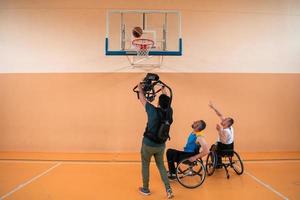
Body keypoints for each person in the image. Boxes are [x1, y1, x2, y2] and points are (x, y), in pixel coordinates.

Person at [136, 82, 174, 199]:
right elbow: (167, 102)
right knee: (161, 166)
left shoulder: (152, 110)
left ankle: (145, 189)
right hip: (161, 145)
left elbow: (142, 99)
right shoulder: (169, 113)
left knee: (145, 165)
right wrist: (163, 90)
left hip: (148, 144)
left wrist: (139, 89)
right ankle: (168, 190)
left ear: (158, 102)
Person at [209, 101, 234, 167]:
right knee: (215, 146)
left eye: (225, 119)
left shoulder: (225, 131)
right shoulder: (230, 127)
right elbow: (220, 115)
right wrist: (213, 108)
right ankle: (218, 162)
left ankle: (217, 164)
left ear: (227, 123)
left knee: (212, 148)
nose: (223, 119)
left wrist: (219, 130)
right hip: (230, 148)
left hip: (223, 149)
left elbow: (224, 142)